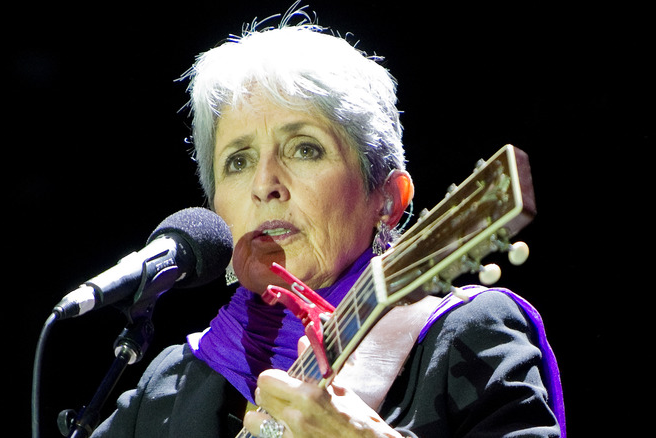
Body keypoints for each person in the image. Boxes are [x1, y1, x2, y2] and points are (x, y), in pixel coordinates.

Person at [90, 6, 565, 438]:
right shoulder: (167, 388)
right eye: (237, 160)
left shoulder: (463, 337)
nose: (264, 184)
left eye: (304, 148)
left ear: (389, 199)